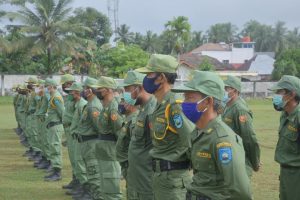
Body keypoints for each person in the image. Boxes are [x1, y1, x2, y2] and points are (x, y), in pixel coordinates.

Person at [172, 70, 252, 200]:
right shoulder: (198, 132)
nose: (184, 103)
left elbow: (241, 192)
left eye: (189, 98)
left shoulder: (223, 140)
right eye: (185, 97)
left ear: (208, 101)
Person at [136, 54, 195, 200]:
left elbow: (192, 139)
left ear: (161, 78)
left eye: (149, 74)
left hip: (173, 179)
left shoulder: (174, 107)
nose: (146, 79)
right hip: (161, 177)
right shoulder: (159, 105)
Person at [124, 71, 156, 200]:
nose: (125, 93)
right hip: (137, 176)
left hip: (147, 179)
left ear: (139, 88)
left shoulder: (152, 110)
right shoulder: (142, 110)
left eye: (127, 89)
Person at [91, 76, 124, 200]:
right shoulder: (106, 106)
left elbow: (120, 133)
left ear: (109, 90)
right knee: (105, 187)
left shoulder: (114, 108)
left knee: (112, 189)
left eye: (100, 88)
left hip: (110, 153)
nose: (97, 91)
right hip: (103, 152)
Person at [222, 75, 261, 176]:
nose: (224, 91)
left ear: (235, 91)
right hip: (228, 155)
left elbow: (249, 138)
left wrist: (255, 161)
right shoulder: (227, 105)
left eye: (227, 88)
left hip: (240, 158)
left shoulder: (240, 109)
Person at [269, 75, 300, 200]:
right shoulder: (285, 114)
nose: (276, 95)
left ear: (292, 94)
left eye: (279, 92)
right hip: (286, 172)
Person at [73, 77, 102, 200]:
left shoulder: (93, 106)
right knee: (90, 172)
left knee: (94, 172)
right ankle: (92, 194)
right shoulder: (89, 104)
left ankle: (97, 196)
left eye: (85, 88)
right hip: (86, 143)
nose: (83, 91)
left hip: (91, 143)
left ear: (90, 90)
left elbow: (99, 128)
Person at [66, 82, 89, 200]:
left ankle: (86, 189)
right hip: (75, 137)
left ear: (77, 92)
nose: (69, 93)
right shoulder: (78, 104)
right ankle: (81, 186)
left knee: (81, 164)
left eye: (71, 91)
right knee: (76, 163)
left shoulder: (82, 105)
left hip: (80, 138)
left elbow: (83, 123)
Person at [44, 78, 65, 181]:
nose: (46, 88)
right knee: (52, 148)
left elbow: (62, 113)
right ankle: (54, 168)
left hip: (56, 126)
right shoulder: (53, 96)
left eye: (47, 86)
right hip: (52, 126)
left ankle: (57, 172)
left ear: (51, 86)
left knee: (56, 148)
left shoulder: (56, 97)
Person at [60, 74, 78, 190]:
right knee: (73, 158)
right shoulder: (69, 98)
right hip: (69, 131)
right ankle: (75, 180)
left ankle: (80, 183)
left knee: (77, 159)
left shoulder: (77, 99)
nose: (64, 87)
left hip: (74, 131)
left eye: (65, 84)